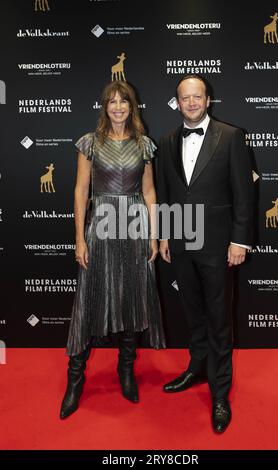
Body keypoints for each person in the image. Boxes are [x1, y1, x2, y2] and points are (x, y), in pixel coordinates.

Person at [60, 81, 165, 419]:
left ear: (132, 106)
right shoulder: (90, 143)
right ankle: (75, 380)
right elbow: (80, 191)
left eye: (124, 101)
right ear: (104, 107)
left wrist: (154, 235)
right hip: (100, 227)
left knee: (132, 295)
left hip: (135, 227)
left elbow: (149, 193)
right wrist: (79, 238)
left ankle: (126, 370)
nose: (118, 107)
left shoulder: (143, 144)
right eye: (112, 102)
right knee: (89, 299)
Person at [157, 75, 253, 433]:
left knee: (218, 320)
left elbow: (244, 194)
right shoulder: (166, 141)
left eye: (198, 97)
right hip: (181, 244)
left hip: (217, 245)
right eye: (185, 98)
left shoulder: (231, 137)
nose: (192, 103)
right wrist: (165, 236)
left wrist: (239, 242)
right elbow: (165, 192)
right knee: (193, 313)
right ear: (177, 103)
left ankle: (220, 392)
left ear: (209, 100)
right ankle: (197, 369)